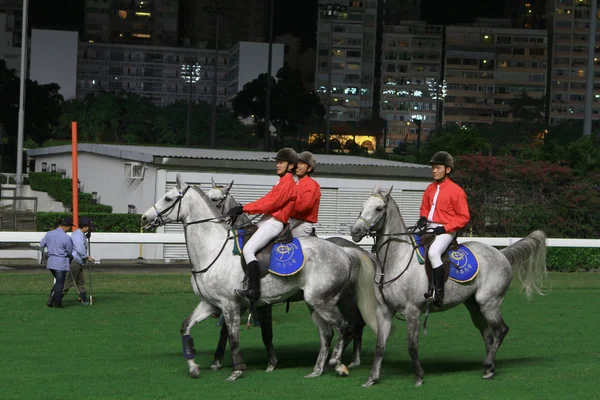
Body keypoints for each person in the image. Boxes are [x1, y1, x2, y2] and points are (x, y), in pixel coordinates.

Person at [226, 148, 298, 302]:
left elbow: (269, 203)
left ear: (290, 166)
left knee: (249, 249)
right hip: (266, 221)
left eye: (281, 162)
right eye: (277, 162)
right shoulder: (281, 181)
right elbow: (267, 200)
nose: (277, 165)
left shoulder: (288, 183)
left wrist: (243, 208)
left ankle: (254, 290)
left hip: (274, 224)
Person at [417, 151, 470, 305]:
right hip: (430, 227)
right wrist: (422, 218)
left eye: (438, 167)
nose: (434, 170)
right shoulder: (430, 188)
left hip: (447, 230)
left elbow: (464, 217)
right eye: (433, 167)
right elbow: (425, 208)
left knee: (433, 253)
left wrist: (445, 228)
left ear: (447, 170)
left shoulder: (457, 191)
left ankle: (438, 293)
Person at [40, 217, 74, 308]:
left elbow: (42, 244)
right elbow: (69, 251)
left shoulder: (49, 234)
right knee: (60, 283)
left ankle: (51, 299)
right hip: (61, 262)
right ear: (65, 226)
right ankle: (57, 302)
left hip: (51, 261)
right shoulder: (66, 238)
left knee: (58, 281)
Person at [62, 216, 94, 305]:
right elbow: (80, 248)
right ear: (85, 226)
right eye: (89, 227)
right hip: (75, 261)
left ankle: (84, 300)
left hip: (79, 261)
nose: (89, 229)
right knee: (69, 282)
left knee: (80, 281)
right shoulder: (78, 235)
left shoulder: (80, 234)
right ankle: (56, 298)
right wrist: (86, 257)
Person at [290, 151, 321, 237]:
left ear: (309, 168)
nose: (298, 166)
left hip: (302, 225)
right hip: (292, 221)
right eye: (297, 163)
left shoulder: (311, 184)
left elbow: (304, 206)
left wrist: (285, 207)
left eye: (301, 163)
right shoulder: (295, 183)